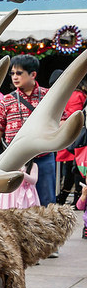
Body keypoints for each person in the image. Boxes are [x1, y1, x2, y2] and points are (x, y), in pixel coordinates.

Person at [0, 54, 57, 208]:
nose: (14, 77)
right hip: (14, 160)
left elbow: (63, 121)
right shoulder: (7, 100)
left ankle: (46, 233)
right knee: (13, 205)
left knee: (46, 202)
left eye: (19, 73)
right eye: (12, 73)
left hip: (43, 157)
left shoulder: (48, 96)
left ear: (33, 74)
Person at [55, 74, 87, 206]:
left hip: (70, 139)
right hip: (76, 139)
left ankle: (67, 197)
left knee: (73, 169)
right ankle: (75, 199)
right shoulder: (77, 96)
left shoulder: (69, 95)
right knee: (76, 169)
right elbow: (74, 117)